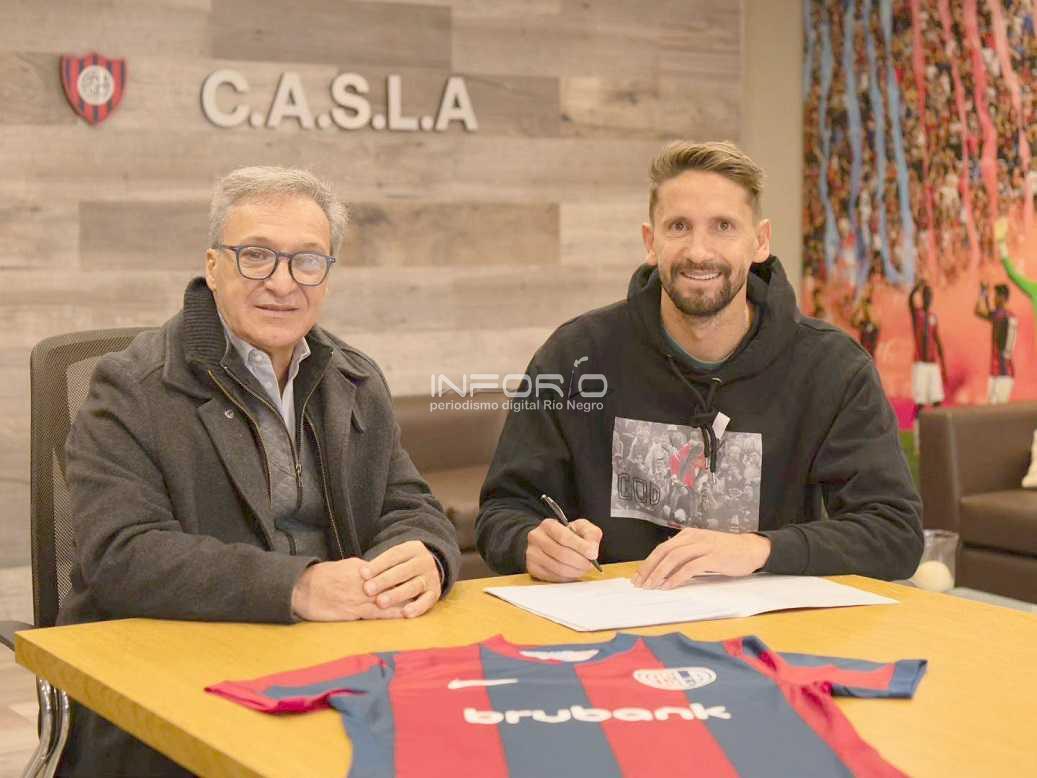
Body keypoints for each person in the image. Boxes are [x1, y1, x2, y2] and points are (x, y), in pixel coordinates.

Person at [57, 167, 460, 777]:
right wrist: (299, 586)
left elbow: (409, 503)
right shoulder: (132, 386)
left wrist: (425, 555)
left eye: (307, 261)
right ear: (213, 266)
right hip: (180, 670)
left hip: (333, 663)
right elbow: (121, 553)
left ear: (327, 275)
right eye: (256, 256)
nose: (282, 282)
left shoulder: (353, 378)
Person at [476, 140, 922, 589]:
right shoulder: (574, 357)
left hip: (770, 627)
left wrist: (759, 549)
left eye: (723, 226)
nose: (699, 251)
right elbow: (503, 511)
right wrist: (531, 543)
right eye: (679, 226)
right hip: (612, 618)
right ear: (651, 242)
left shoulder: (832, 368)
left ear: (760, 241)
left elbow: (894, 533)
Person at [908, 278, 947, 420]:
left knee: (937, 401)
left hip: (933, 365)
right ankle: (917, 430)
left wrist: (944, 367)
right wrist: (917, 286)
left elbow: (938, 341)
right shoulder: (917, 314)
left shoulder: (933, 318)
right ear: (922, 297)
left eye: (930, 295)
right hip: (920, 365)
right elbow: (910, 301)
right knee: (920, 403)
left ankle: (939, 430)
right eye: (926, 295)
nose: (928, 298)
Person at [974, 282, 1018, 404]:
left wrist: (983, 293)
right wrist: (985, 297)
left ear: (1002, 297)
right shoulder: (1009, 315)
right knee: (994, 409)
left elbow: (978, 311)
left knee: (997, 410)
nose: (994, 298)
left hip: (1001, 372)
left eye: (996, 295)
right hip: (1002, 371)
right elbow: (989, 313)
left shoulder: (1000, 315)